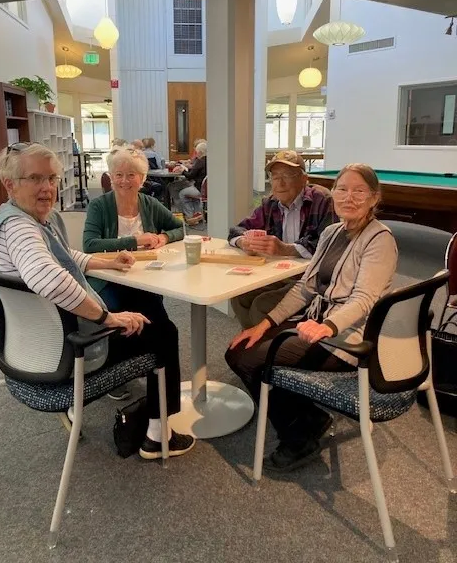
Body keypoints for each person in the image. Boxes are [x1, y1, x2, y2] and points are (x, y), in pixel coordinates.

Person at [0, 143, 194, 460]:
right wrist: (108, 319)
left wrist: (106, 263)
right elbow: (50, 279)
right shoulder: (20, 230)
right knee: (162, 332)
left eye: (52, 178)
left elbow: (63, 257)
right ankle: (158, 435)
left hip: (27, 346)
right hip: (64, 353)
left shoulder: (21, 218)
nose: (47, 188)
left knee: (146, 311)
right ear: (9, 184)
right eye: (35, 179)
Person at [226, 163, 398, 472]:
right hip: (317, 323)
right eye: (342, 189)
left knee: (249, 360)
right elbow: (304, 289)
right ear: (333, 195)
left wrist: (327, 326)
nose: (349, 197)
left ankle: (298, 437)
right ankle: (310, 417)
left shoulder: (380, 240)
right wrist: (264, 324)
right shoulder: (332, 232)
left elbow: (364, 300)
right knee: (238, 348)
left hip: (348, 340)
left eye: (359, 191)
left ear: (374, 198)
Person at [229, 151, 337, 328]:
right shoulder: (270, 204)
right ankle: (252, 347)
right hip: (279, 273)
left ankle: (270, 351)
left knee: (261, 306)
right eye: (275, 176)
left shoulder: (322, 200)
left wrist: (286, 249)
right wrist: (243, 241)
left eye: (287, 175)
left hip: (312, 277)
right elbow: (236, 229)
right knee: (239, 297)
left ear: (304, 179)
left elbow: (328, 245)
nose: (279, 183)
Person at [84, 147, 183, 322]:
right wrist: (134, 240)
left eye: (131, 175)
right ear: (111, 177)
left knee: (162, 327)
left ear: (142, 178)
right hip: (108, 278)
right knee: (119, 316)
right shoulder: (98, 206)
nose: (124, 181)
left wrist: (164, 237)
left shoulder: (150, 204)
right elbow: (90, 245)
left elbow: (180, 228)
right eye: (118, 174)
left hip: (143, 276)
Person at [170, 141, 207, 225]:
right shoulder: (208, 161)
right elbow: (194, 172)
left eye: (197, 152)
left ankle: (189, 217)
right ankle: (197, 214)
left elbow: (190, 176)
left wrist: (183, 170)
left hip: (199, 189)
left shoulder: (200, 161)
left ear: (200, 152)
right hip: (205, 189)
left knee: (182, 193)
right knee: (190, 193)